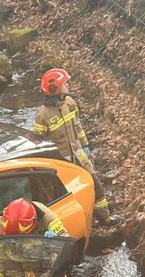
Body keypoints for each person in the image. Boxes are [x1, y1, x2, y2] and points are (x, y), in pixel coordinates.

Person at [34, 68, 112, 224]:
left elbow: (78, 127)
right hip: (61, 163)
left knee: (94, 183)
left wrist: (85, 145)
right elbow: (38, 143)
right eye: (64, 83)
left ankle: (105, 218)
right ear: (55, 89)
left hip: (79, 155)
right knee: (68, 195)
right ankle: (80, 221)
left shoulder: (70, 103)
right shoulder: (42, 115)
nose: (68, 85)